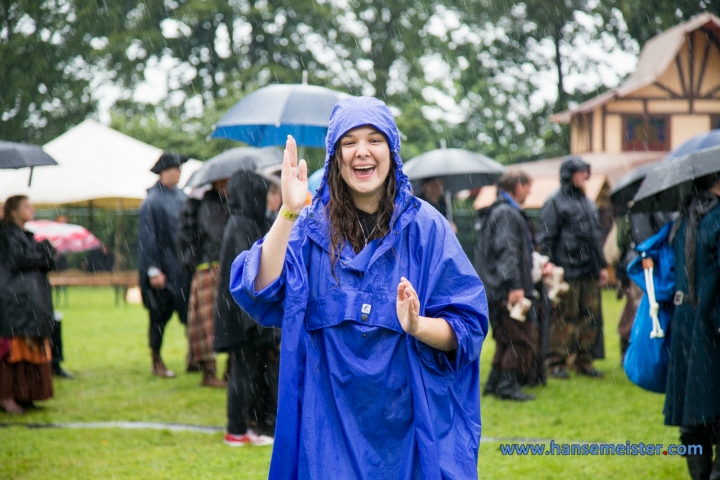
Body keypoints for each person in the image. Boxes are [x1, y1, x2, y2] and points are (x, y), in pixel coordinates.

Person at [230, 96, 488, 478]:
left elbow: (466, 330)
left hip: (409, 438)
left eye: (374, 140)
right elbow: (258, 288)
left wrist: (418, 326)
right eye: (348, 143)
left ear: (392, 150)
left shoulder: (426, 229)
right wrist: (288, 211)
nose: (361, 152)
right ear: (335, 156)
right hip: (325, 437)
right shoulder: (309, 228)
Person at [476, 171, 552, 401]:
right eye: (528, 187)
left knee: (505, 337)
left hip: (495, 287)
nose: (529, 192)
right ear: (518, 187)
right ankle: (507, 386)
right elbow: (508, 251)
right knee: (522, 338)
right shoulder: (507, 213)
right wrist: (514, 287)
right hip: (506, 288)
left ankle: (493, 383)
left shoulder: (498, 211)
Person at [215, 170, 278, 446]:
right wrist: (253, 319)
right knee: (242, 371)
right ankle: (236, 430)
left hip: (246, 314)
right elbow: (249, 276)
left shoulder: (246, 222)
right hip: (243, 315)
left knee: (249, 370)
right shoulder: (240, 225)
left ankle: (244, 427)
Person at [664, 173, 720, 480]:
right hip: (712, 323)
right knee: (713, 404)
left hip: (686, 320)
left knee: (694, 410)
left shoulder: (687, 216)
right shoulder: (717, 216)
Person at [537, 157, 608, 379]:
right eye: (579, 172)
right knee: (563, 318)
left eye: (585, 172)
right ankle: (556, 362)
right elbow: (546, 238)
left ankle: (584, 360)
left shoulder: (588, 203)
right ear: (568, 174)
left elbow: (596, 238)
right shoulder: (555, 202)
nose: (584, 176)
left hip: (588, 270)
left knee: (590, 316)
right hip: (565, 270)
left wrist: (602, 267)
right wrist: (548, 265)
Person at [0, 196, 55, 414]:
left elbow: (42, 260)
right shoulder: (6, 235)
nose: (32, 209)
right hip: (14, 298)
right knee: (12, 350)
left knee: (29, 346)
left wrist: (43, 252)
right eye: (26, 206)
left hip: (31, 299)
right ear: (13, 212)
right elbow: (17, 260)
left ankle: (27, 393)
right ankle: (7, 396)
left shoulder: (27, 236)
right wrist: (42, 254)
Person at [137, 152, 190, 378]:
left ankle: (195, 359)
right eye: (174, 169)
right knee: (158, 318)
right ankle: (156, 360)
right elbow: (147, 239)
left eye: (179, 169)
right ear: (163, 172)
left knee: (189, 315)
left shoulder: (182, 197)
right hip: (162, 272)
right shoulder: (152, 202)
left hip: (182, 270)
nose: (178, 172)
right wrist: (153, 270)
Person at [178, 178, 230, 388]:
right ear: (217, 182)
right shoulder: (208, 204)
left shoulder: (223, 203)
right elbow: (214, 235)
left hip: (216, 266)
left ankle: (224, 370)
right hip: (210, 267)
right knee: (207, 323)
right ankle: (208, 372)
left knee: (213, 321)